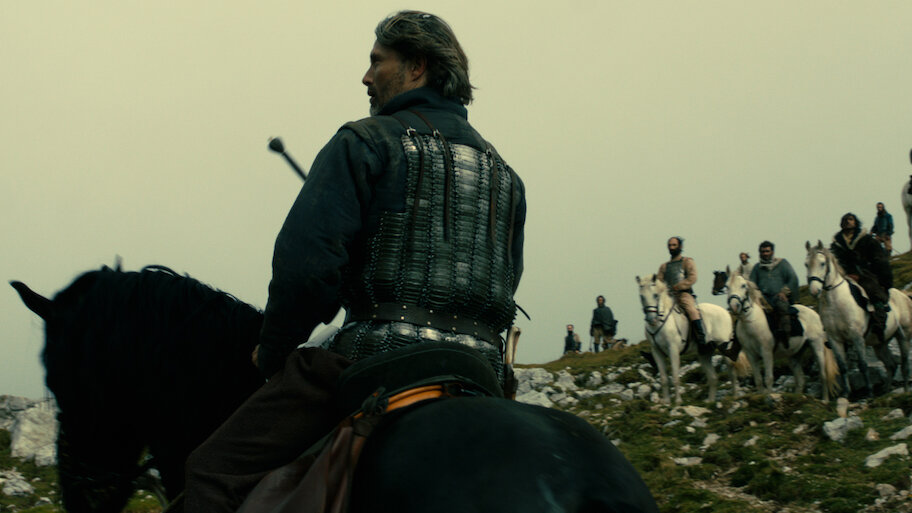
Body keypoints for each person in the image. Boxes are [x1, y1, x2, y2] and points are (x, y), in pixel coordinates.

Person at [184, 11, 526, 513]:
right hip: (481, 374)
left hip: (377, 360)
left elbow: (306, 270)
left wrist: (274, 352)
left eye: (376, 61)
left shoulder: (365, 141)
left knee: (212, 469)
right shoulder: (506, 177)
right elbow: (506, 281)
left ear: (416, 67)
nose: (366, 77)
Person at [830, 212, 892, 342]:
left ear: (855, 222)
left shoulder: (867, 239)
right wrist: (846, 273)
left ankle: (879, 321)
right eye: (846, 220)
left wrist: (881, 278)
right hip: (844, 275)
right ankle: (831, 330)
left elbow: (878, 259)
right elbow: (836, 260)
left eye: (851, 219)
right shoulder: (837, 243)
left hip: (865, 273)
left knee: (872, 290)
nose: (848, 222)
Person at [656, 237, 709, 350]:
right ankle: (656, 344)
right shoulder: (664, 266)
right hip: (668, 297)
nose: (671, 247)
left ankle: (701, 338)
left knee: (692, 310)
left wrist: (678, 286)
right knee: (656, 314)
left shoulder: (687, 262)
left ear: (680, 246)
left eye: (674, 245)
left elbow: (692, 278)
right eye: (670, 245)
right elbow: (659, 282)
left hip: (683, 295)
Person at [749, 241, 800, 348]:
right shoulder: (757, 268)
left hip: (779, 296)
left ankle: (786, 335)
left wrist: (784, 292)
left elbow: (792, 279)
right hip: (763, 298)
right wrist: (757, 295)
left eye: (767, 251)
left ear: (772, 252)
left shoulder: (782, 264)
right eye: (763, 251)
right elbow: (752, 283)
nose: (765, 254)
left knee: (782, 307)